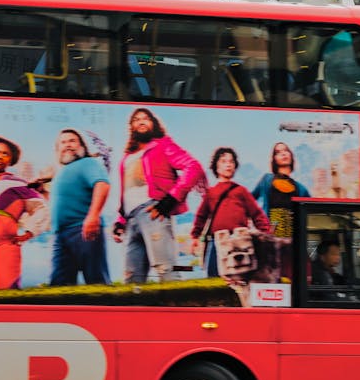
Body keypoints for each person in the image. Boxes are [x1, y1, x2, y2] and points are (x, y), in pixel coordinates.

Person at [112, 108, 205, 284]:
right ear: (131, 127)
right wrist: (120, 221)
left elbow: (193, 167)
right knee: (131, 281)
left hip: (153, 212)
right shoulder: (127, 157)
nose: (141, 121)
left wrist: (170, 200)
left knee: (167, 272)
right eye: (136, 119)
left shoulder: (163, 144)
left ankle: (179, 311)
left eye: (145, 118)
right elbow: (126, 191)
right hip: (131, 221)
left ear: (153, 123)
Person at [190, 147, 270, 277]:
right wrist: (195, 236)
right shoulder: (211, 193)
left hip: (240, 241)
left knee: (242, 278)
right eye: (223, 161)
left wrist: (266, 235)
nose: (228, 164)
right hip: (217, 242)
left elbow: (257, 214)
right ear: (216, 166)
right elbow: (201, 216)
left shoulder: (241, 191)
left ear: (235, 166)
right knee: (214, 277)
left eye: (231, 161)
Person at [0, 136, 45, 289]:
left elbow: (41, 208)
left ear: (10, 160)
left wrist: (29, 232)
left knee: (7, 291)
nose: (0, 156)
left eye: (5, 154)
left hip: (6, 247)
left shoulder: (18, 183)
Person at [49, 128, 110, 286]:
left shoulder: (87, 163)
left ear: (82, 146)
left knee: (96, 282)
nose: (67, 145)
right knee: (59, 286)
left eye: (72, 141)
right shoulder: (61, 172)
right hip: (60, 235)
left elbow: (102, 185)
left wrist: (93, 216)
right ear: (58, 149)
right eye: (63, 142)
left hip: (83, 230)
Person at [251, 142, 310, 280]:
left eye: (286, 151)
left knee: (292, 276)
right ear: (274, 159)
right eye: (278, 152)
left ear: (291, 155)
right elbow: (249, 200)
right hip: (270, 237)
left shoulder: (301, 188)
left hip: (291, 239)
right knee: (270, 276)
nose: (283, 153)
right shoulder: (266, 180)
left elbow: (308, 212)